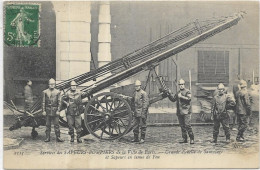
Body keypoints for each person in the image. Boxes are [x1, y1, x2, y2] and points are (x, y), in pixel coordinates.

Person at [168, 79, 194, 144]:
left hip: (186, 111)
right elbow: (173, 99)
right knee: (182, 126)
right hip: (180, 112)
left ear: (184, 85)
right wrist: (169, 94)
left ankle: (192, 138)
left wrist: (181, 96)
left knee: (187, 125)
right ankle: (184, 139)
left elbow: (189, 99)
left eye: (182, 84)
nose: (181, 86)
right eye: (180, 85)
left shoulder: (188, 91)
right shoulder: (178, 92)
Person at [42, 78, 64, 142]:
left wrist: (58, 110)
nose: (52, 85)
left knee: (56, 125)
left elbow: (60, 102)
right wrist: (43, 111)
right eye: (50, 84)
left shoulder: (58, 92)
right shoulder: (45, 92)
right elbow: (43, 102)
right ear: (48, 84)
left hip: (55, 111)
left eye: (53, 84)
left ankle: (58, 137)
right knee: (47, 125)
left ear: (55, 84)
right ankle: (47, 137)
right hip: (48, 110)